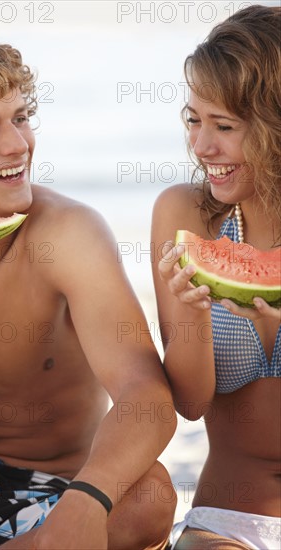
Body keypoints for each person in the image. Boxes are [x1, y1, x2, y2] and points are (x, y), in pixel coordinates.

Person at [0, 26, 177, 550]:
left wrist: (87, 502)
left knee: (150, 495)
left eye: (21, 117)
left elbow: (145, 395)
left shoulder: (70, 232)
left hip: (57, 489)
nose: (18, 144)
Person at [151, 5, 280, 550]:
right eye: (193, 120)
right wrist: (192, 314)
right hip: (232, 516)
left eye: (224, 126)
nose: (202, 148)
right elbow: (192, 402)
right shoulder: (188, 216)